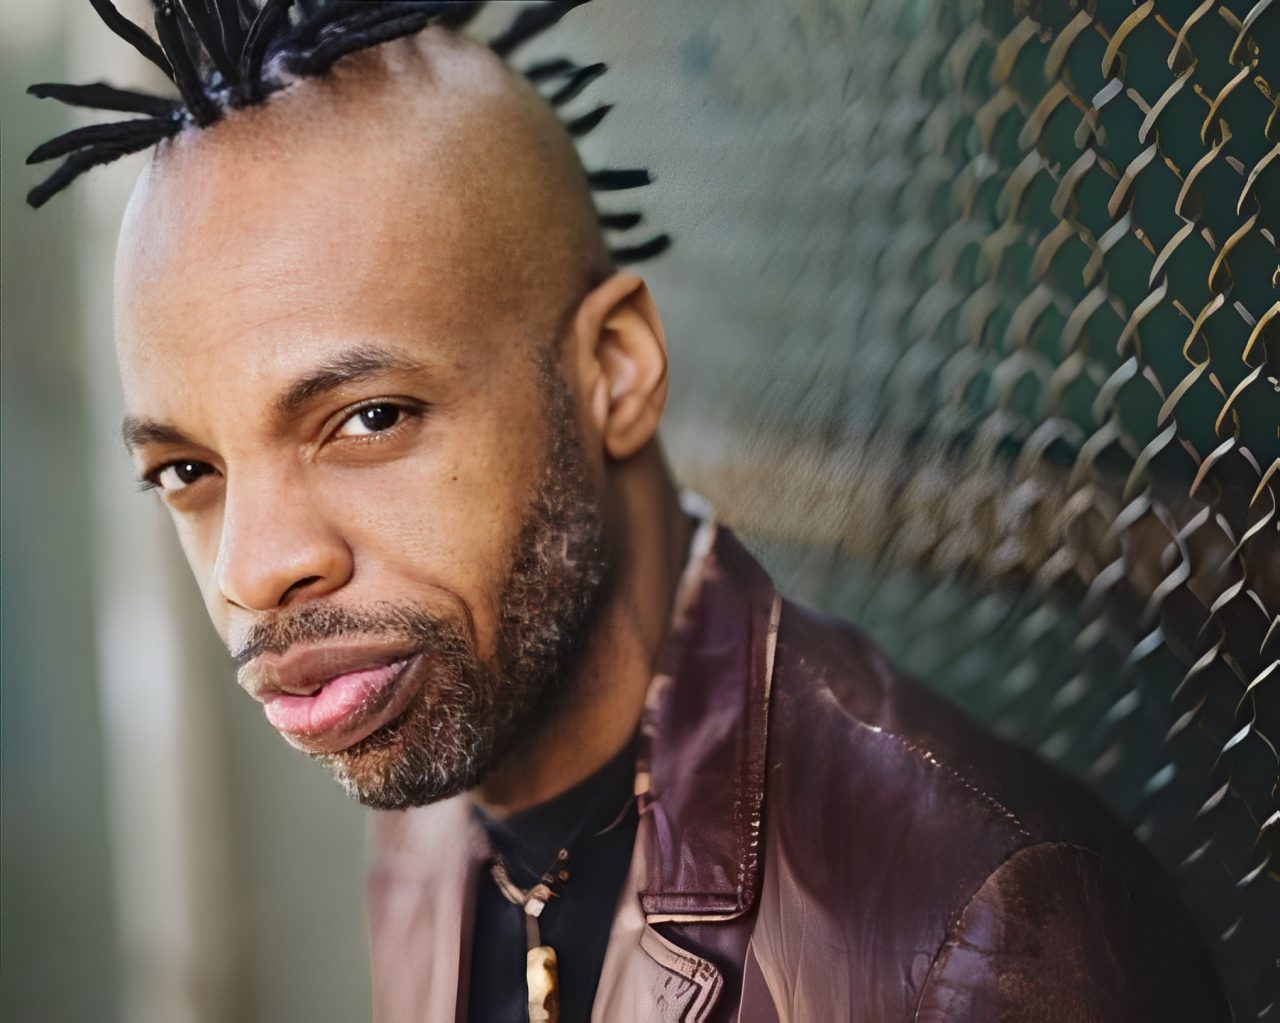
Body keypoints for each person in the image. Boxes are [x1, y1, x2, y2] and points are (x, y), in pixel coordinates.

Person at [27, 2, 1230, 1020]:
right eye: (188, 471)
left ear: (614, 370)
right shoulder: (429, 784)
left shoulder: (977, 934)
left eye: (369, 418)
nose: (255, 567)